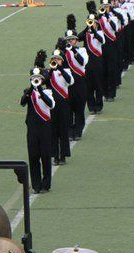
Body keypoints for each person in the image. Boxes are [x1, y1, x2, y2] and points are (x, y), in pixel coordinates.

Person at [21, 63, 55, 193]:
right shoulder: (28, 92)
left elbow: (51, 104)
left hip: (45, 129)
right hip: (32, 130)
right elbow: (22, 102)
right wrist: (31, 89)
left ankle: (46, 184)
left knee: (46, 156)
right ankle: (36, 185)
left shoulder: (48, 91)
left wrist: (40, 89)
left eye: (39, 78)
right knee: (33, 157)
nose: (37, 80)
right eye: (34, 78)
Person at [45, 49, 73, 166]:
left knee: (63, 131)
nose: (56, 61)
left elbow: (70, 81)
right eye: (54, 59)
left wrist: (60, 68)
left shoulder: (66, 70)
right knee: (53, 132)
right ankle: (55, 156)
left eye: (58, 59)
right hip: (52, 106)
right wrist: (51, 70)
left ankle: (63, 156)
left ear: (62, 61)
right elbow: (45, 82)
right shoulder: (48, 72)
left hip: (63, 105)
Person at [63, 27, 88, 140]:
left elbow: (82, 62)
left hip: (79, 82)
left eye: (72, 39)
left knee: (79, 108)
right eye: (68, 40)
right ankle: (69, 131)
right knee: (68, 109)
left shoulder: (82, 50)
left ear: (76, 40)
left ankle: (78, 131)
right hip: (67, 84)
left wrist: (73, 50)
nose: (70, 42)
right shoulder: (62, 53)